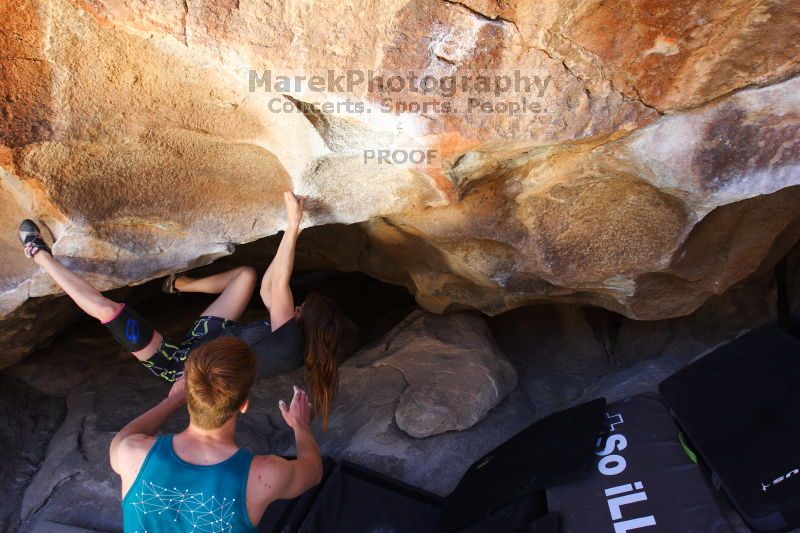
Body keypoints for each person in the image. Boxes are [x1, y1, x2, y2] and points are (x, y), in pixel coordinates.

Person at [18, 191, 344, 428]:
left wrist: (294, 224)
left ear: (309, 319)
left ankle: (39, 254)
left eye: (304, 307)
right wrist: (290, 231)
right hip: (212, 338)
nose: (298, 306)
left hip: (181, 366)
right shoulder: (288, 341)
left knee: (109, 311)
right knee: (245, 276)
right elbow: (268, 286)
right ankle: (180, 285)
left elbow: (279, 285)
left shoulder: (289, 342)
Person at [111, 335, 323, 531]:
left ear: (189, 393)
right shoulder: (266, 474)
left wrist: (172, 400)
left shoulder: (132, 452)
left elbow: (124, 436)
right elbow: (313, 471)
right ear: (243, 405)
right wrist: (300, 426)